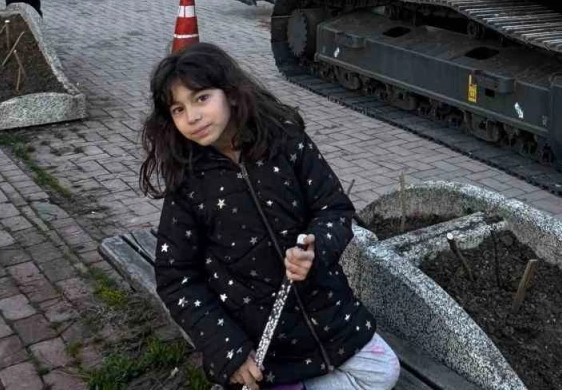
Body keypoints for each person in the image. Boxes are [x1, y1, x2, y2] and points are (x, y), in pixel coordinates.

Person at [141, 44, 400, 390]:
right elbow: (176, 277)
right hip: (259, 340)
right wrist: (228, 350)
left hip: (328, 314)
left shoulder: (285, 140)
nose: (192, 117)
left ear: (230, 94)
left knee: (385, 372)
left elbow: (334, 208)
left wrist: (316, 248)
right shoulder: (189, 183)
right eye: (178, 109)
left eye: (201, 98)